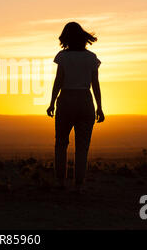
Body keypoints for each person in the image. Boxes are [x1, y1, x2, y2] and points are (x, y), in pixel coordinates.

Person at [47, 22, 105, 193]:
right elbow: (95, 84)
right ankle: (79, 185)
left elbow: (58, 81)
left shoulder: (63, 57)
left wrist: (51, 102)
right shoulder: (91, 58)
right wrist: (99, 107)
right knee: (82, 147)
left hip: (66, 99)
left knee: (61, 143)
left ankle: (60, 182)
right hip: (85, 101)